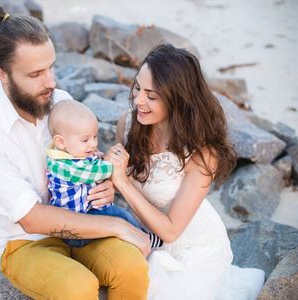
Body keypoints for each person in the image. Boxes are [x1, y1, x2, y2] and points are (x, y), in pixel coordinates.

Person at [0, 6, 151, 300]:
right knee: (77, 287)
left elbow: (85, 159)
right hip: (25, 241)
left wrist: (103, 188)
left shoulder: (60, 102)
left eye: (51, 67)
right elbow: (31, 218)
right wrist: (117, 225)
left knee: (132, 268)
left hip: (83, 220)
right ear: (1, 74)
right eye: (36, 73)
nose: (51, 82)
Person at [105, 44, 265, 300]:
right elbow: (117, 177)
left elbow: (170, 231)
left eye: (151, 95)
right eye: (137, 87)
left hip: (195, 247)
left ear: (177, 98)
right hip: (147, 235)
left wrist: (122, 183)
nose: (138, 101)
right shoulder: (128, 123)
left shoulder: (203, 153)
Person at [46, 99, 163, 248]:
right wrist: (112, 164)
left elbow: (88, 162)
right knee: (119, 214)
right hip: (76, 227)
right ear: (61, 141)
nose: (94, 144)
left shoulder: (63, 154)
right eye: (85, 140)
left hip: (82, 218)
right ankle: (144, 237)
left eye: (95, 137)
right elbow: (95, 172)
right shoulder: (65, 167)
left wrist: (97, 156)